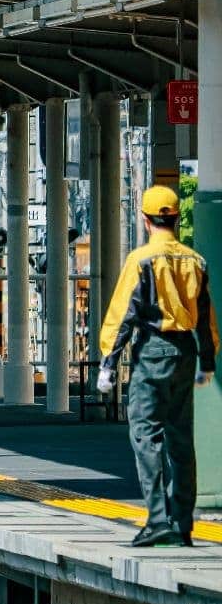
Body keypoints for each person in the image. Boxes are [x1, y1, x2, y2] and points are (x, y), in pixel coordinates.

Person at [98, 185, 219, 547]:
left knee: (146, 435)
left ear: (146, 220)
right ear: (175, 218)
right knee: (181, 439)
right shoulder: (195, 261)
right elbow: (206, 320)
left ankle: (157, 520)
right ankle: (183, 523)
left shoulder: (142, 260)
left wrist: (108, 362)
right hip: (186, 354)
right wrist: (208, 361)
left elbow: (123, 314)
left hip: (153, 351)